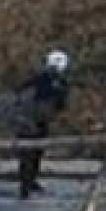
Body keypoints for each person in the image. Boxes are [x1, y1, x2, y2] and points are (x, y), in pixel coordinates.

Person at [13, 50, 70, 199]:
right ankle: (25, 186)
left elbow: (58, 104)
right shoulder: (39, 82)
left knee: (37, 152)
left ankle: (31, 181)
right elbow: (27, 101)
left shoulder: (55, 82)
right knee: (27, 154)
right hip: (29, 121)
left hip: (40, 121)